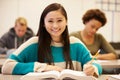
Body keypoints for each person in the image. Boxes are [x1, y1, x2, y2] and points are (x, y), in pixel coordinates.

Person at [2, 3, 102, 77]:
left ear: (66, 21)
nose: (55, 25)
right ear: (43, 24)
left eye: (59, 20)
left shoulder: (76, 44)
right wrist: (43, 67)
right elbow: (7, 66)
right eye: (50, 21)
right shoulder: (34, 43)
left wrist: (93, 68)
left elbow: (96, 64)